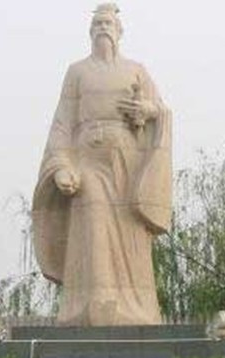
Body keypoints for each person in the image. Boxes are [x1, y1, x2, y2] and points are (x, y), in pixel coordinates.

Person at [32, 3, 172, 326]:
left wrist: (147, 110)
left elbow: (161, 110)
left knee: (129, 233)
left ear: (119, 31)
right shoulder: (77, 72)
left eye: (108, 23)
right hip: (88, 159)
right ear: (90, 32)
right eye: (97, 24)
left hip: (127, 161)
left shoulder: (136, 70)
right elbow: (62, 123)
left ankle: (136, 311)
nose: (102, 28)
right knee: (93, 223)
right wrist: (62, 165)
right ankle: (91, 307)